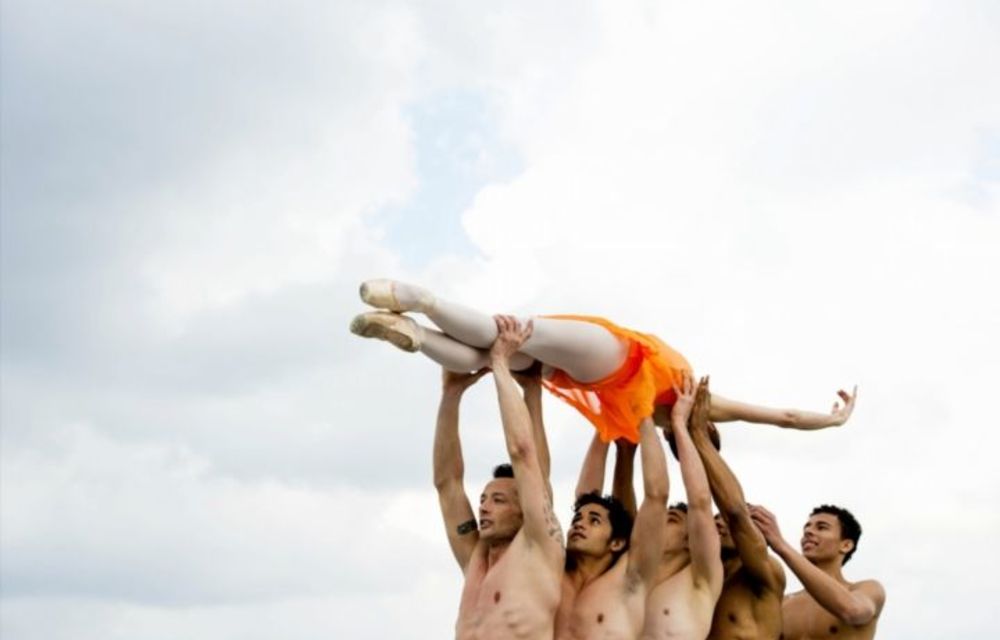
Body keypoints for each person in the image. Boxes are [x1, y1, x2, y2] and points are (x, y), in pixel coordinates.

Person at [350, 279, 857, 443]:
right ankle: (414, 334)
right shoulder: (660, 427)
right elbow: (783, 420)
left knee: (511, 333)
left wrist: (836, 419)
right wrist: (830, 422)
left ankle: (422, 302)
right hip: (584, 374)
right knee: (492, 357)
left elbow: (784, 416)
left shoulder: (704, 404)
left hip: (615, 356)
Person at [433, 316, 564, 639]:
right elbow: (447, 483)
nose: (485, 508)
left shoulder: (539, 549)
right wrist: (451, 394)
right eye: (484, 499)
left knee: (529, 465)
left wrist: (500, 364)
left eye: (499, 500)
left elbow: (525, 456)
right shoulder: (475, 557)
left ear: (525, 510)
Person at [555, 409, 668, 639]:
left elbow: (657, 496)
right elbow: (585, 498)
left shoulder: (630, 578)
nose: (579, 524)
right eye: (577, 519)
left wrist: (644, 413)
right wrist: (604, 421)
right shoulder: (556, 573)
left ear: (616, 543)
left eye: (594, 521)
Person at [689, 381, 786, 640]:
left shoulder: (764, 575)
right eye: (715, 520)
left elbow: (735, 511)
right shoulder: (699, 578)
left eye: (724, 522)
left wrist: (698, 437)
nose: (719, 524)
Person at [640, 376, 724, 639]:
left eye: (673, 519)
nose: (660, 521)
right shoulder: (631, 576)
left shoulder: (701, 578)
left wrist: (680, 424)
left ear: (691, 536)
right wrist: (640, 412)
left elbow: (700, 501)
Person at [749, 504, 886, 640]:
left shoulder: (868, 589)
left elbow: (852, 611)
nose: (808, 532)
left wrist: (780, 544)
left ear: (846, 545)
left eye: (821, 527)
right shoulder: (783, 603)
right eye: (806, 528)